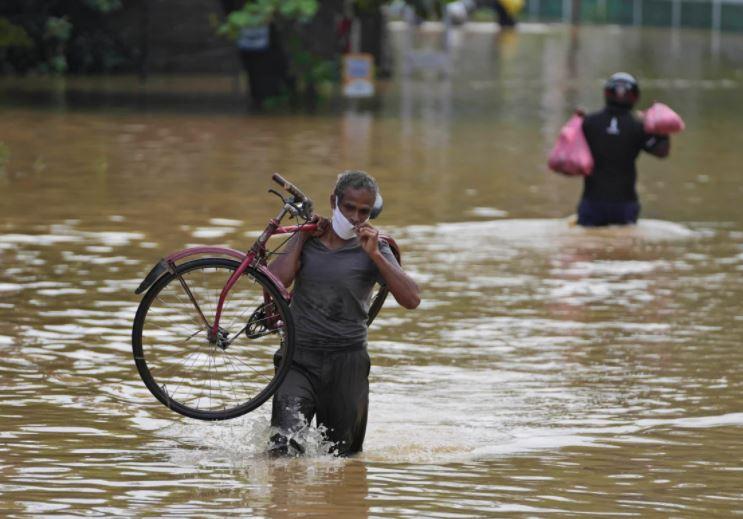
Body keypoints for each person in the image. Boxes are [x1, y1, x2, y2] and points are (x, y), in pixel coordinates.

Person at [267, 170, 421, 457]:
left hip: (347, 364)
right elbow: (274, 282)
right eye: (348, 207)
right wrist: (301, 237)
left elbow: (412, 299)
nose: (354, 217)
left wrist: (375, 255)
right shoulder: (309, 239)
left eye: (364, 211)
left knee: (342, 460)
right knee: (282, 453)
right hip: (298, 359)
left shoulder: (377, 247)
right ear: (334, 201)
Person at [577, 72, 671, 227]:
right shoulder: (639, 126)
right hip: (624, 204)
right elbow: (662, 152)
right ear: (634, 96)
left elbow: (567, 154)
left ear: (607, 94)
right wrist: (663, 130)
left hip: (593, 202)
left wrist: (576, 120)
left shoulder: (588, 123)